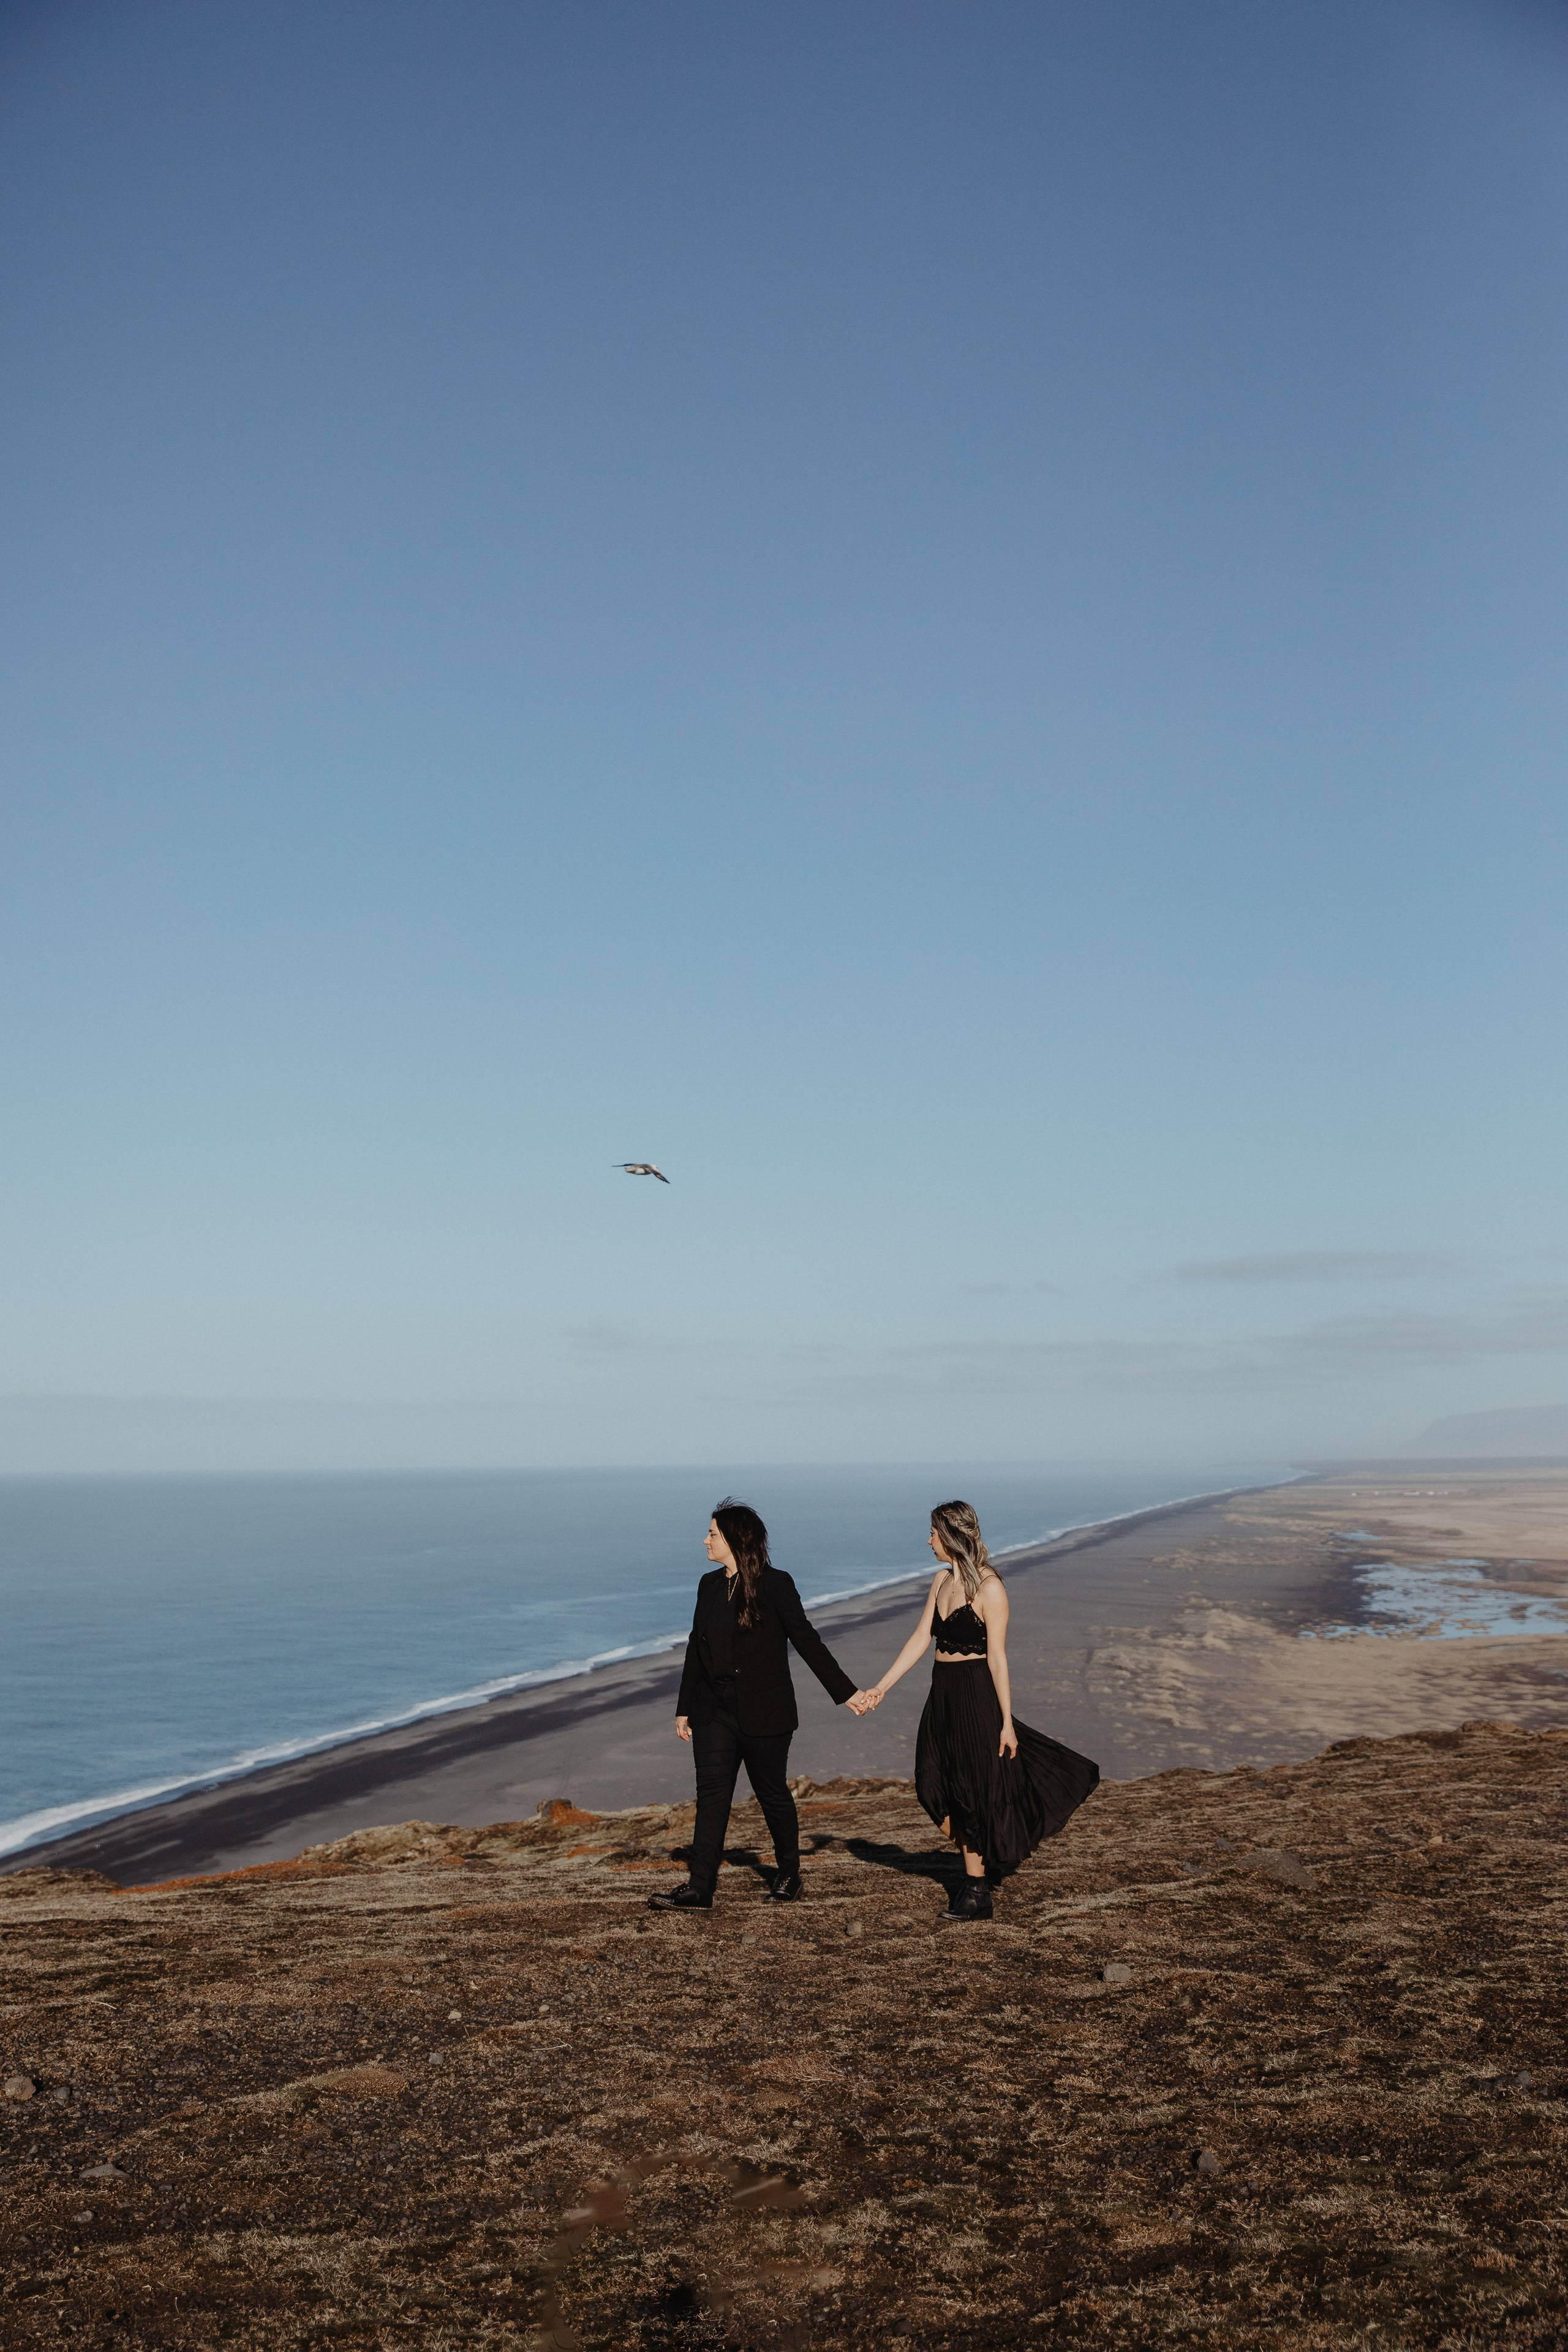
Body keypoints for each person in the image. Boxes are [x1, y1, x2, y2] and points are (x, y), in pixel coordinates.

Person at [857, 1499, 1098, 1920]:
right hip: (942, 1697)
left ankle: (976, 1891)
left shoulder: (991, 1588)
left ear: (951, 1536)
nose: (928, 1539)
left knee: (968, 1792)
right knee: (931, 1785)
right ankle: (987, 1855)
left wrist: (1007, 1722)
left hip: (976, 1699)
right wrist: (881, 1688)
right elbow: (919, 1640)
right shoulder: (939, 1582)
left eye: (933, 1532)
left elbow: (998, 1659)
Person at [649, 1498, 871, 1913]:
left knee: (772, 1795)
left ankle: (789, 1875)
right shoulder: (708, 1585)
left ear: (734, 1538)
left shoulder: (777, 1585)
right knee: (712, 1796)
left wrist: (848, 1693)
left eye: (712, 1534)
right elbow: (696, 1652)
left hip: (765, 1712)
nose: (705, 1540)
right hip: (712, 1711)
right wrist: (683, 1708)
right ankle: (700, 1888)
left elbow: (807, 1641)